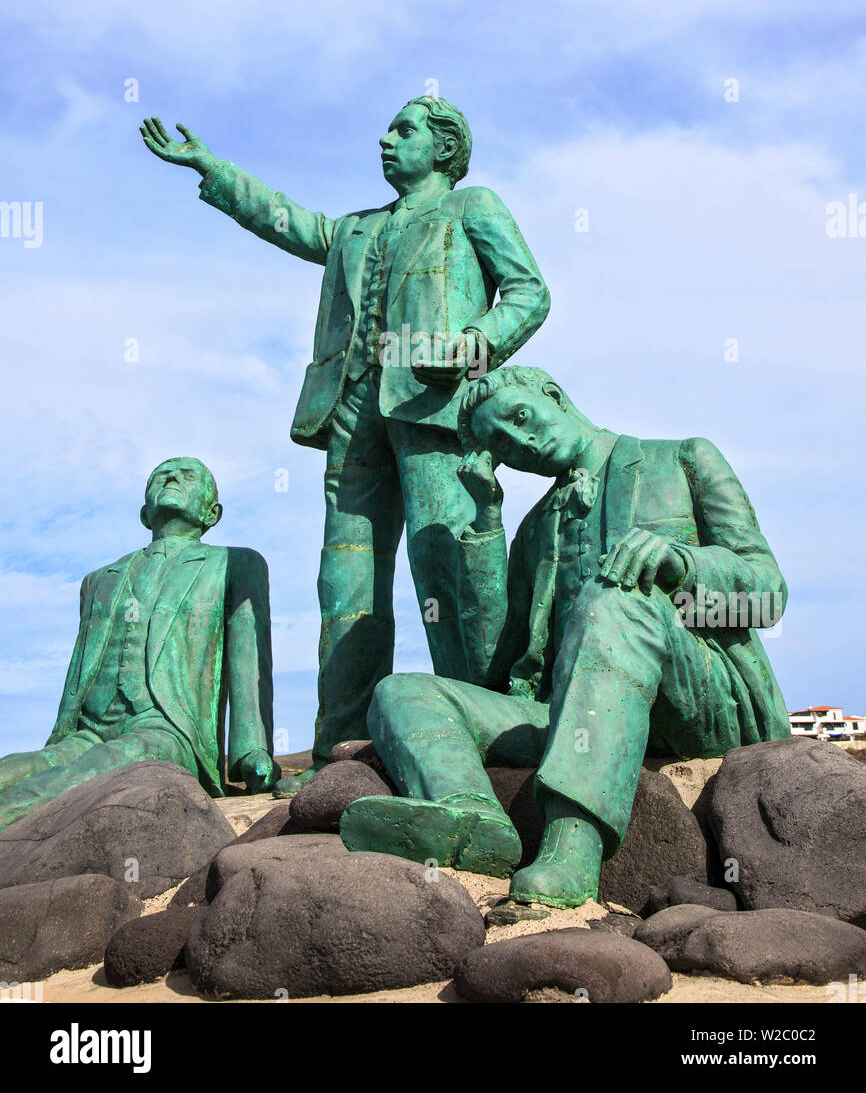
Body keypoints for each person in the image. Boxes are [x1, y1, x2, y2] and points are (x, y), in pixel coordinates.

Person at [139, 100, 550, 787]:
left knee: (443, 566)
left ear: (445, 148)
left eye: (405, 130)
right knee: (345, 586)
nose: (386, 140)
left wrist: (475, 345)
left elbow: (529, 293)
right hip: (353, 413)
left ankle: (487, 724)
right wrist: (212, 168)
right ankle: (342, 749)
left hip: (431, 405)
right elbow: (288, 221)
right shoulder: (355, 230)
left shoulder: (473, 206)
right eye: (388, 129)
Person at [340, 366, 790, 907]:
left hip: (703, 698)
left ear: (553, 394)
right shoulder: (535, 530)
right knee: (403, 691)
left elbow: (768, 596)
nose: (522, 442)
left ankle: (572, 849)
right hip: (573, 716)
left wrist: (682, 563)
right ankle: (473, 817)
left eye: (521, 417)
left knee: (612, 599)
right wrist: (487, 521)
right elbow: (495, 673)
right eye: (504, 445)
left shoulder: (682, 458)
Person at [0, 458, 278, 830]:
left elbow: (248, 658)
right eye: (161, 475)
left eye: (188, 475)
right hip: (92, 728)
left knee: (98, 768)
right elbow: (78, 671)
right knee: (18, 766)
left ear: (212, 513)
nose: (173, 477)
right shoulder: (100, 580)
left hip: (168, 730)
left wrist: (252, 751)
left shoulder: (234, 563)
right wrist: (59, 739)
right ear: (145, 514)